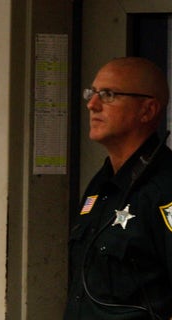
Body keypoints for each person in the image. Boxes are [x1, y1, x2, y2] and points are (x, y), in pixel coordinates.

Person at [64, 57, 172, 319]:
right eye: (92, 93)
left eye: (108, 95)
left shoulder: (164, 188)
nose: (92, 105)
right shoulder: (100, 185)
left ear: (147, 110)